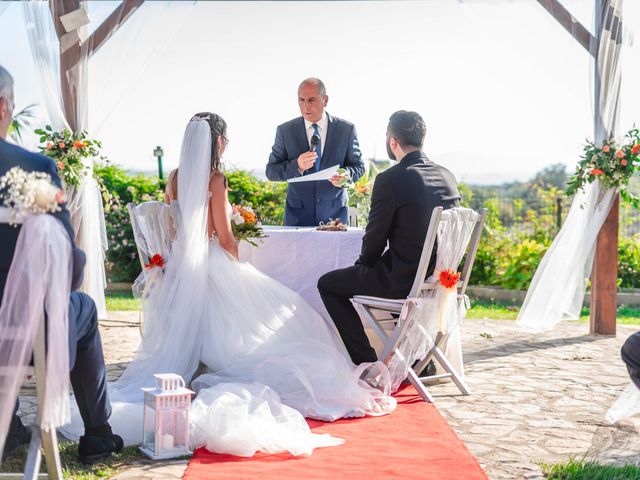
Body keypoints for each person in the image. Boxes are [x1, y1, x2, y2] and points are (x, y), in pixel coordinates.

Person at [61, 113, 395, 454]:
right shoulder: (215, 179)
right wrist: (236, 262)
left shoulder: (175, 177)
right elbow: (225, 239)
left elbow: (175, 231)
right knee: (293, 309)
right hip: (211, 262)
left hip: (180, 269)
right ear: (217, 142)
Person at [0, 65, 122, 463]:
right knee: (81, 306)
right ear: (4, 107)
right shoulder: (30, 170)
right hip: (23, 331)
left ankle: (11, 428)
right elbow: (67, 268)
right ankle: (98, 434)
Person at [318, 110, 461, 365]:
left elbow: (375, 238)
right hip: (437, 279)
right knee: (399, 263)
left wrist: (362, 267)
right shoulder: (447, 176)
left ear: (393, 141)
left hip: (402, 280)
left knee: (328, 284)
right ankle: (419, 363)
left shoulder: (391, 179)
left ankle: (367, 363)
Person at [266, 78, 364, 226]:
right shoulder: (285, 131)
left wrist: (346, 175)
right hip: (297, 218)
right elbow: (271, 171)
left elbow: (359, 166)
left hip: (335, 217)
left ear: (325, 100)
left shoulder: (346, 129)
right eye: (301, 100)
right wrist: (297, 165)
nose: (306, 106)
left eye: (312, 100)